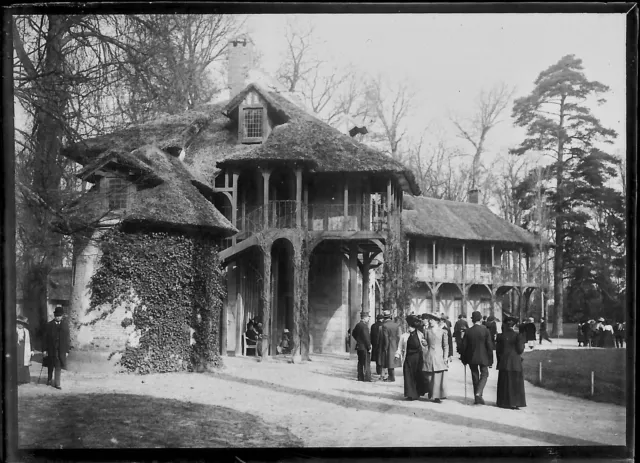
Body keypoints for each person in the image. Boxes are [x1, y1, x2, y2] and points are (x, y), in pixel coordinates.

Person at [460, 310, 493, 405]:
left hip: (471, 357)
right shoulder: (485, 330)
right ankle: (479, 393)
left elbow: (464, 347)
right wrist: (490, 360)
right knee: (485, 375)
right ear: (481, 319)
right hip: (483, 357)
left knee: (475, 377)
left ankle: (477, 397)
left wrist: (464, 359)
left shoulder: (468, 331)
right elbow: (489, 346)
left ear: (472, 320)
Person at [495, 316, 527, 410]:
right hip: (515, 362)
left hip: (504, 362)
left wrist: (499, 360)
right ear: (514, 325)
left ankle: (503, 402)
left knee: (504, 382)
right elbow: (520, 350)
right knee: (515, 383)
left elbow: (498, 350)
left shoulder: (500, 336)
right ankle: (515, 402)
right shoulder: (518, 336)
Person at [395, 315, 427, 400]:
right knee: (408, 376)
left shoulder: (420, 335)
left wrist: (425, 344)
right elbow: (400, 347)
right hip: (408, 358)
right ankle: (410, 394)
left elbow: (424, 346)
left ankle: (417, 393)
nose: (409, 328)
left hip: (418, 358)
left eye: (410, 327)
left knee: (417, 375)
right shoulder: (404, 336)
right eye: (409, 326)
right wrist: (397, 354)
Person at [422, 313, 449, 403]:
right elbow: (425, 343)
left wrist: (445, 357)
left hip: (439, 356)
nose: (430, 321)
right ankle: (431, 392)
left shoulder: (443, 332)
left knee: (437, 377)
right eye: (429, 319)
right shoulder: (426, 331)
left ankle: (437, 396)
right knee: (428, 377)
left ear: (437, 321)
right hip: (429, 355)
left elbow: (445, 346)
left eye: (432, 320)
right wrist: (424, 343)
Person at [44, 306, 70, 389]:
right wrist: (44, 349)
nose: (58, 317)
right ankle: (49, 379)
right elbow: (45, 338)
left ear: (62, 316)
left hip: (60, 349)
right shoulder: (49, 325)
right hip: (51, 348)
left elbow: (67, 339)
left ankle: (57, 383)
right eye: (56, 316)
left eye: (59, 316)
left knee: (58, 366)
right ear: (54, 316)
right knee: (51, 365)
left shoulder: (65, 325)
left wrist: (67, 351)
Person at [378, 310, 402, 382]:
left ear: (384, 317)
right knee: (392, 360)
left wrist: (385, 347)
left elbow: (386, 337)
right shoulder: (396, 325)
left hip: (389, 344)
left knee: (388, 360)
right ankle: (391, 376)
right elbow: (398, 336)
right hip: (395, 343)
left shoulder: (384, 326)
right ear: (390, 317)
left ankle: (391, 377)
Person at [351, 312, 372, 382]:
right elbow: (366, 338)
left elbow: (353, 333)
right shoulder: (364, 326)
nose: (368, 319)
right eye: (368, 317)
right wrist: (369, 347)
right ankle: (367, 378)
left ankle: (360, 377)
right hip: (364, 347)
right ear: (365, 318)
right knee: (366, 363)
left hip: (359, 346)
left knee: (360, 362)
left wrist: (358, 339)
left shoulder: (358, 325)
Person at [16, 315, 33, 385]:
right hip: (17, 348)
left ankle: (24, 379)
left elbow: (30, 341)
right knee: (17, 363)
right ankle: (17, 379)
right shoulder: (14, 330)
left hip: (24, 348)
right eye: (18, 323)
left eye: (22, 323)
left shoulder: (26, 331)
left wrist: (31, 349)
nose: (20, 325)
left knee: (24, 363)